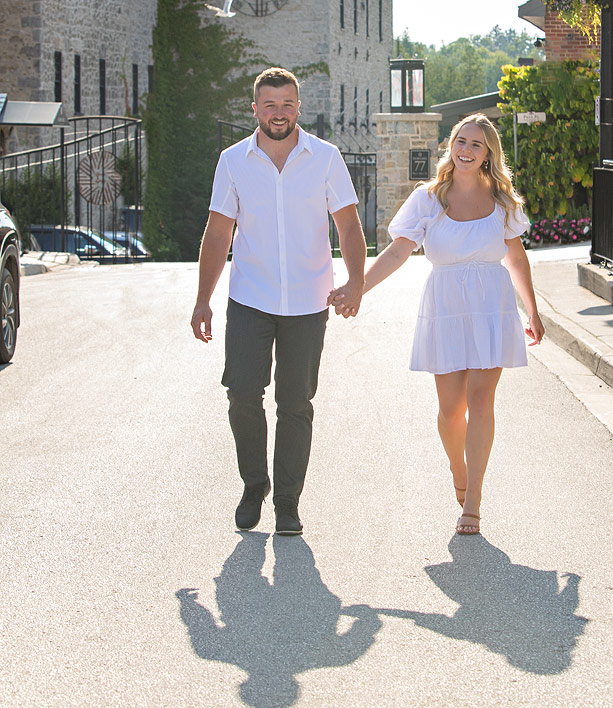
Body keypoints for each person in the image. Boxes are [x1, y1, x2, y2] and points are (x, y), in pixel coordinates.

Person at [330, 113, 544, 535]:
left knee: (482, 401)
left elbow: (516, 257)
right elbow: (396, 253)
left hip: (490, 306)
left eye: (475, 145)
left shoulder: (503, 202)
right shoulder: (428, 198)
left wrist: (532, 310)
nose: (465, 150)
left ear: (488, 155)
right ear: (451, 145)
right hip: (445, 306)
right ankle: (457, 469)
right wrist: (359, 287)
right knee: (451, 411)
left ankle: (474, 502)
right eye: (460, 141)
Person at [191, 67, 366, 534]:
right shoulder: (233, 161)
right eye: (270, 105)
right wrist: (203, 298)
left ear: (298, 108)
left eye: (287, 104)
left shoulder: (326, 159)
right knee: (243, 394)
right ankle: (254, 486)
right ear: (255, 110)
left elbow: (348, 226)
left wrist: (355, 282)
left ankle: (287, 503)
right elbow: (218, 232)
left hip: (310, 301)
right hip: (251, 298)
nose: (279, 113)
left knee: (295, 403)